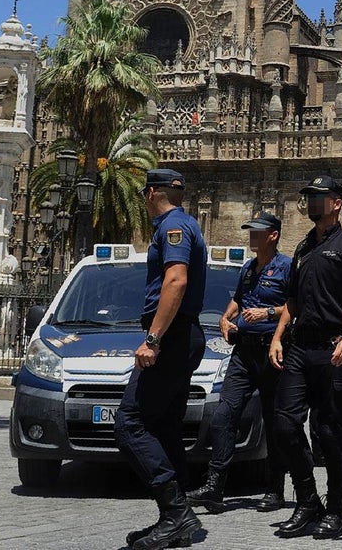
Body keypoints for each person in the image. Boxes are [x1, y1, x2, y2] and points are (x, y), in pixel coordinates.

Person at [269, 175, 342, 540]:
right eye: (309, 197)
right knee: (283, 424)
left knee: (329, 430)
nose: (312, 202)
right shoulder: (301, 249)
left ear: (337, 202)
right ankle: (307, 499)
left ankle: (337, 510)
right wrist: (278, 336)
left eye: (318, 197)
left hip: (334, 348)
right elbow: (291, 301)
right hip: (300, 347)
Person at [114, 169, 207, 550]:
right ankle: (176, 518)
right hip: (182, 335)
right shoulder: (185, 224)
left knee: (130, 423)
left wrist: (153, 339)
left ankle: (176, 513)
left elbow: (176, 281)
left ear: (152, 192)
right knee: (166, 426)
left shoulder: (174, 227)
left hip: (172, 337)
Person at [188, 211, 290, 514]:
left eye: (257, 231)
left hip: (272, 353)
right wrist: (225, 316)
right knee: (224, 416)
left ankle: (275, 489)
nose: (251, 235)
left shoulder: (286, 268)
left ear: (273, 235)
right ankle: (215, 488)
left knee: (274, 423)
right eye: (251, 230)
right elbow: (240, 299)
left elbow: (295, 306)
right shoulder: (248, 268)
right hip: (243, 354)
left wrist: (267, 314)